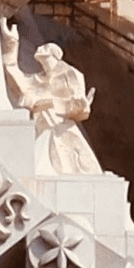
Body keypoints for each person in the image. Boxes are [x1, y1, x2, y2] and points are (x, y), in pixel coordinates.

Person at [26, 44, 102, 175]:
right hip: (42, 122)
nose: (40, 49)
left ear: (54, 55)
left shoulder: (71, 74)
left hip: (60, 123)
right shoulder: (38, 77)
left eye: (45, 49)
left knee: (76, 157)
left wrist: (80, 105)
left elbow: (79, 107)